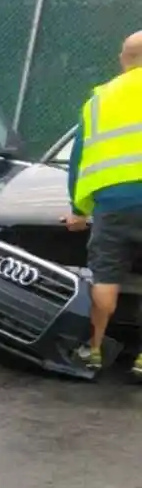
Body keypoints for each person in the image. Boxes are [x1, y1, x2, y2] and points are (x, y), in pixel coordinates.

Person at [65, 30, 142, 377]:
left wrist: (79, 209)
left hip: (113, 204)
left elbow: (79, 160)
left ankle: (93, 350)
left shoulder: (98, 101)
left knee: (106, 276)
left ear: (123, 59)